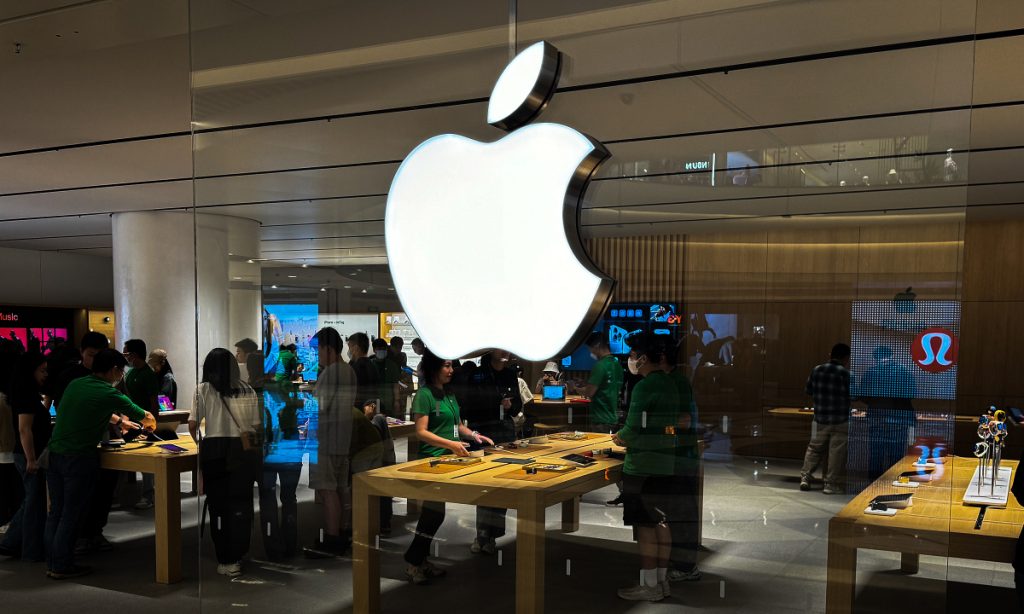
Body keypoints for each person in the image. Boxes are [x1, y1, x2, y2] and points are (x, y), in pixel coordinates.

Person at [45, 349, 155, 579]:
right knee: (71, 513)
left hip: (55, 454)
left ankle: (53, 561)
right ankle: (62, 565)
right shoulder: (109, 392)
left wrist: (120, 422)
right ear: (114, 370)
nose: (121, 376)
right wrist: (149, 424)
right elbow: (145, 416)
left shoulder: (77, 384)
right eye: (121, 372)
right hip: (78, 457)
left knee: (56, 511)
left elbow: (94, 406)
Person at [403, 349, 493, 584]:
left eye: (452, 365)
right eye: (447, 365)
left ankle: (419, 561)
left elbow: (457, 426)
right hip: (431, 462)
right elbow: (421, 432)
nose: (451, 370)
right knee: (433, 514)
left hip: (449, 461)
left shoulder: (449, 394)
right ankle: (414, 562)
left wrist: (474, 435)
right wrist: (451, 444)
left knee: (434, 514)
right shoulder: (424, 395)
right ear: (434, 367)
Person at [612, 333, 681, 601]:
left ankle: (649, 586)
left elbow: (632, 429)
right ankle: (662, 582)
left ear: (643, 358)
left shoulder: (644, 386)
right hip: (665, 463)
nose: (630, 360)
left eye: (633, 355)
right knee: (661, 522)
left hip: (642, 467)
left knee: (645, 528)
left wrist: (619, 437)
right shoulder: (670, 383)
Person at [188, 348, 262, 578]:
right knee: (241, 503)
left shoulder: (203, 389)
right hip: (243, 451)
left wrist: (200, 443)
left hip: (215, 451)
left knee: (218, 505)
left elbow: (193, 425)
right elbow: (256, 426)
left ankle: (226, 558)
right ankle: (239, 552)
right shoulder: (247, 389)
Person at [460, 350, 523, 554]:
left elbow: (518, 406)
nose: (505, 353)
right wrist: (494, 401)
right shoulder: (477, 374)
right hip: (483, 433)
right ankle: (482, 534)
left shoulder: (510, 374)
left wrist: (510, 405)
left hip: (504, 433)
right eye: (500, 349)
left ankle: (493, 536)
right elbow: (467, 406)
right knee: (485, 484)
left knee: (502, 483)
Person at [304, 327, 358, 559]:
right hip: (342, 438)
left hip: (325, 440)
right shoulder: (348, 370)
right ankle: (343, 533)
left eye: (317, 350)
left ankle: (332, 538)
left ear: (328, 349)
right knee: (339, 489)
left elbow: (319, 406)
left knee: (328, 491)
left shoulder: (330, 372)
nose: (316, 355)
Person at [0, 353, 51, 561]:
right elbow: (24, 429)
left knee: (32, 500)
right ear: (30, 371)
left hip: (28, 454)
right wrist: (31, 459)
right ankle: (30, 550)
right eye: (42, 370)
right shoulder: (27, 396)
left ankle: (12, 542)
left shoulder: (25, 394)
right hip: (29, 455)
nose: (45, 374)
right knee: (34, 503)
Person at [663, 341, 702, 584]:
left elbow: (684, 420)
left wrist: (655, 428)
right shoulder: (673, 380)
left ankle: (686, 566)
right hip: (676, 455)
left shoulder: (675, 382)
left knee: (681, 510)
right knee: (677, 509)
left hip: (680, 456)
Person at [859, 345, 917, 484]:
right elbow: (912, 393)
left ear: (876, 358)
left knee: (876, 455)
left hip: (877, 419)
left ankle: (873, 485)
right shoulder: (904, 371)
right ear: (891, 355)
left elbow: (864, 397)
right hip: (899, 420)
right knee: (896, 456)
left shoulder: (870, 372)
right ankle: (894, 484)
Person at [799, 343, 851, 495]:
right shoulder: (846, 374)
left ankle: (805, 478)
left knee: (814, 449)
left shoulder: (817, 370)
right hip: (840, 419)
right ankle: (830, 485)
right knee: (836, 453)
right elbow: (853, 395)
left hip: (820, 418)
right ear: (846, 358)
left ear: (830, 354)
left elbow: (808, 390)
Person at [123, 339, 161, 510]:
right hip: (130, 421)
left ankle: (148, 495)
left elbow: (154, 404)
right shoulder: (130, 373)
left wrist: (150, 425)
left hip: (143, 422)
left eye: (126, 353)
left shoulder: (148, 374)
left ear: (134, 355)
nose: (125, 357)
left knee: (146, 460)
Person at [49, 331, 109, 411]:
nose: (96, 360)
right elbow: (59, 405)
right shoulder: (68, 376)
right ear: (81, 352)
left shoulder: (110, 374)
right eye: (91, 355)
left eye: (100, 355)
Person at [579, 331, 624, 434]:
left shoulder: (600, 365)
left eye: (590, 348)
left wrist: (575, 388)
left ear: (597, 345)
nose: (591, 352)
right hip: (613, 417)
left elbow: (589, 393)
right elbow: (608, 386)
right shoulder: (617, 364)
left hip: (600, 419)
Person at [347, 332, 380, 413]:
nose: (349, 350)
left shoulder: (357, 367)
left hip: (359, 410)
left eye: (349, 347)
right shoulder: (372, 365)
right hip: (371, 409)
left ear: (356, 348)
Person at [372, 337, 400, 417]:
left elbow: (395, 385)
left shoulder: (392, 365)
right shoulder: (370, 364)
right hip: (373, 402)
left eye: (384, 349)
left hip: (388, 402)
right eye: (379, 349)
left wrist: (396, 401)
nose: (381, 351)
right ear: (374, 350)